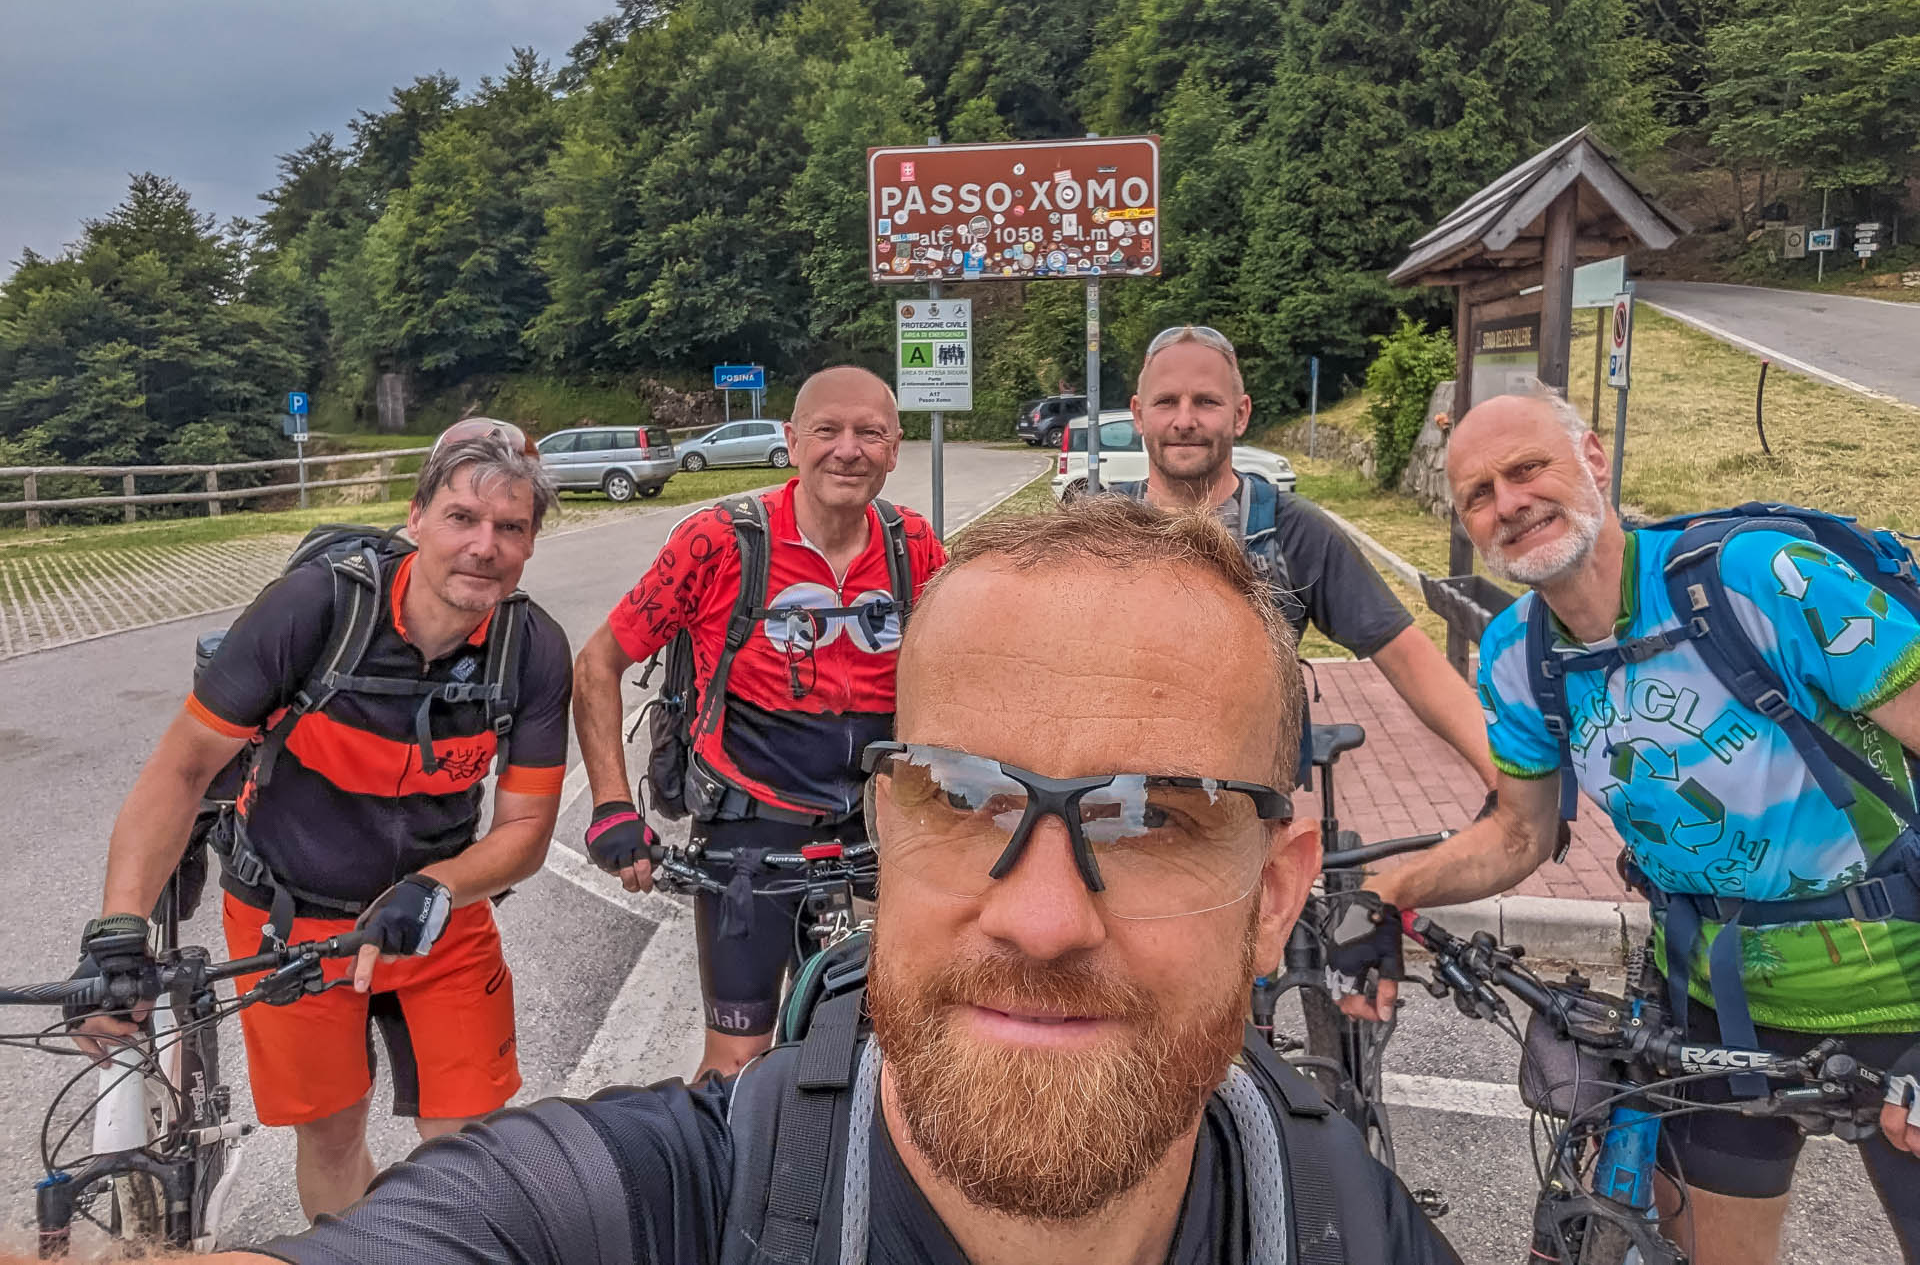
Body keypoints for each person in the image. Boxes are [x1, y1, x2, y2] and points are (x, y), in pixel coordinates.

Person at [103, 495, 1458, 1265]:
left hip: (444, 913)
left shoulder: (1343, 1216)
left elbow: (519, 821)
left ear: (1277, 892)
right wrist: (620, 811)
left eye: (1156, 816)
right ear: (891, 815)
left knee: (454, 1109)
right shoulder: (659, 1201)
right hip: (332, 903)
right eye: (961, 796)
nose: (1044, 915)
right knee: (359, 1126)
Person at [1359, 387, 1920, 1265]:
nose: (1510, 503)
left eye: (1528, 468)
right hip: (1715, 1011)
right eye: (1479, 494)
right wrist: (1382, 892)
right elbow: (1519, 834)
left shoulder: (1762, 578)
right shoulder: (1518, 654)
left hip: (1902, 986)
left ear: (1593, 458)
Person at [68, 421, 575, 1221]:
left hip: (436, 919)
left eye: (511, 527)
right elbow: (183, 769)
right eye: (462, 518)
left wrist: (438, 886)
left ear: (532, 543)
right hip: (288, 921)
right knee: (333, 1137)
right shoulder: (316, 608)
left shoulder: (531, 647)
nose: (485, 546)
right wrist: (119, 932)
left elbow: (526, 831)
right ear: (417, 518)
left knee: (472, 1148)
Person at [572, 366, 945, 1079]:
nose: (848, 450)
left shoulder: (914, 546)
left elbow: (965, 677)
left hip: (877, 833)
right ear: (792, 441)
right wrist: (613, 807)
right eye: (827, 431)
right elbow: (597, 663)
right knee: (737, 1060)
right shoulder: (720, 541)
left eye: (869, 433)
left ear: (895, 449)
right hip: (749, 837)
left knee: (885, 1051)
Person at [1116, 324, 1497, 793]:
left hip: (1248, 807)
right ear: (1139, 414)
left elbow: (1410, 659)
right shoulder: (1097, 533)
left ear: (1240, 414)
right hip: (1115, 802)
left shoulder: (1293, 532)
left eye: (1207, 402)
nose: (1185, 420)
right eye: (1166, 402)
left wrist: (1507, 781)